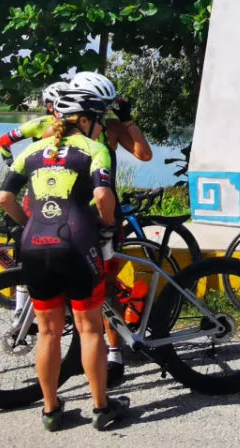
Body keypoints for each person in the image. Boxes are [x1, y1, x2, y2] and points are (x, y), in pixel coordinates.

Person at [0, 88, 129, 432]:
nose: (100, 127)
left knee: (48, 332)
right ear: (84, 121)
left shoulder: (32, 150)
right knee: (90, 329)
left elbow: (4, 198)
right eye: (98, 121)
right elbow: (102, 194)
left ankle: (51, 410)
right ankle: (101, 407)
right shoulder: (94, 149)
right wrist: (107, 225)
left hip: (34, 245)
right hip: (77, 244)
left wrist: (28, 224)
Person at [66, 70, 153, 385]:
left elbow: (144, 155)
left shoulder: (111, 130)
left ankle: (114, 351)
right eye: (98, 108)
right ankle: (81, 343)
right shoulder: (60, 131)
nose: (101, 114)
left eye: (105, 108)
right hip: (68, 214)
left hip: (103, 215)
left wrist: (127, 120)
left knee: (107, 284)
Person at [0, 81, 68, 163]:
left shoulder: (79, 122)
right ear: (50, 107)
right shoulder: (39, 124)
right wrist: (12, 167)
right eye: (62, 104)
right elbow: (2, 142)